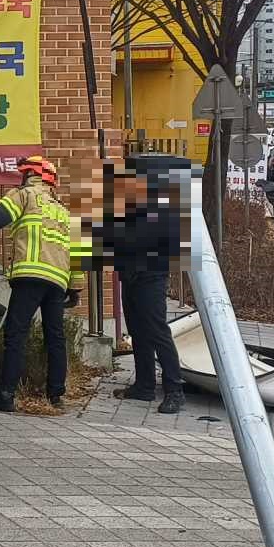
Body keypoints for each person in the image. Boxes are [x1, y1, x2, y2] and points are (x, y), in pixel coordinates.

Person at [0, 154, 79, 411]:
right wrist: (74, 288)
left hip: (30, 276)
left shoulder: (24, 195)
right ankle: (56, 395)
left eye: (24, 173)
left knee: (16, 335)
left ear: (31, 175)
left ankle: (5, 395)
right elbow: (78, 254)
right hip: (57, 282)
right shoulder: (64, 211)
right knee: (55, 337)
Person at [107, 162, 186, 414]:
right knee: (138, 332)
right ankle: (144, 386)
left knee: (156, 331)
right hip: (130, 276)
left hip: (151, 276)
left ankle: (174, 390)